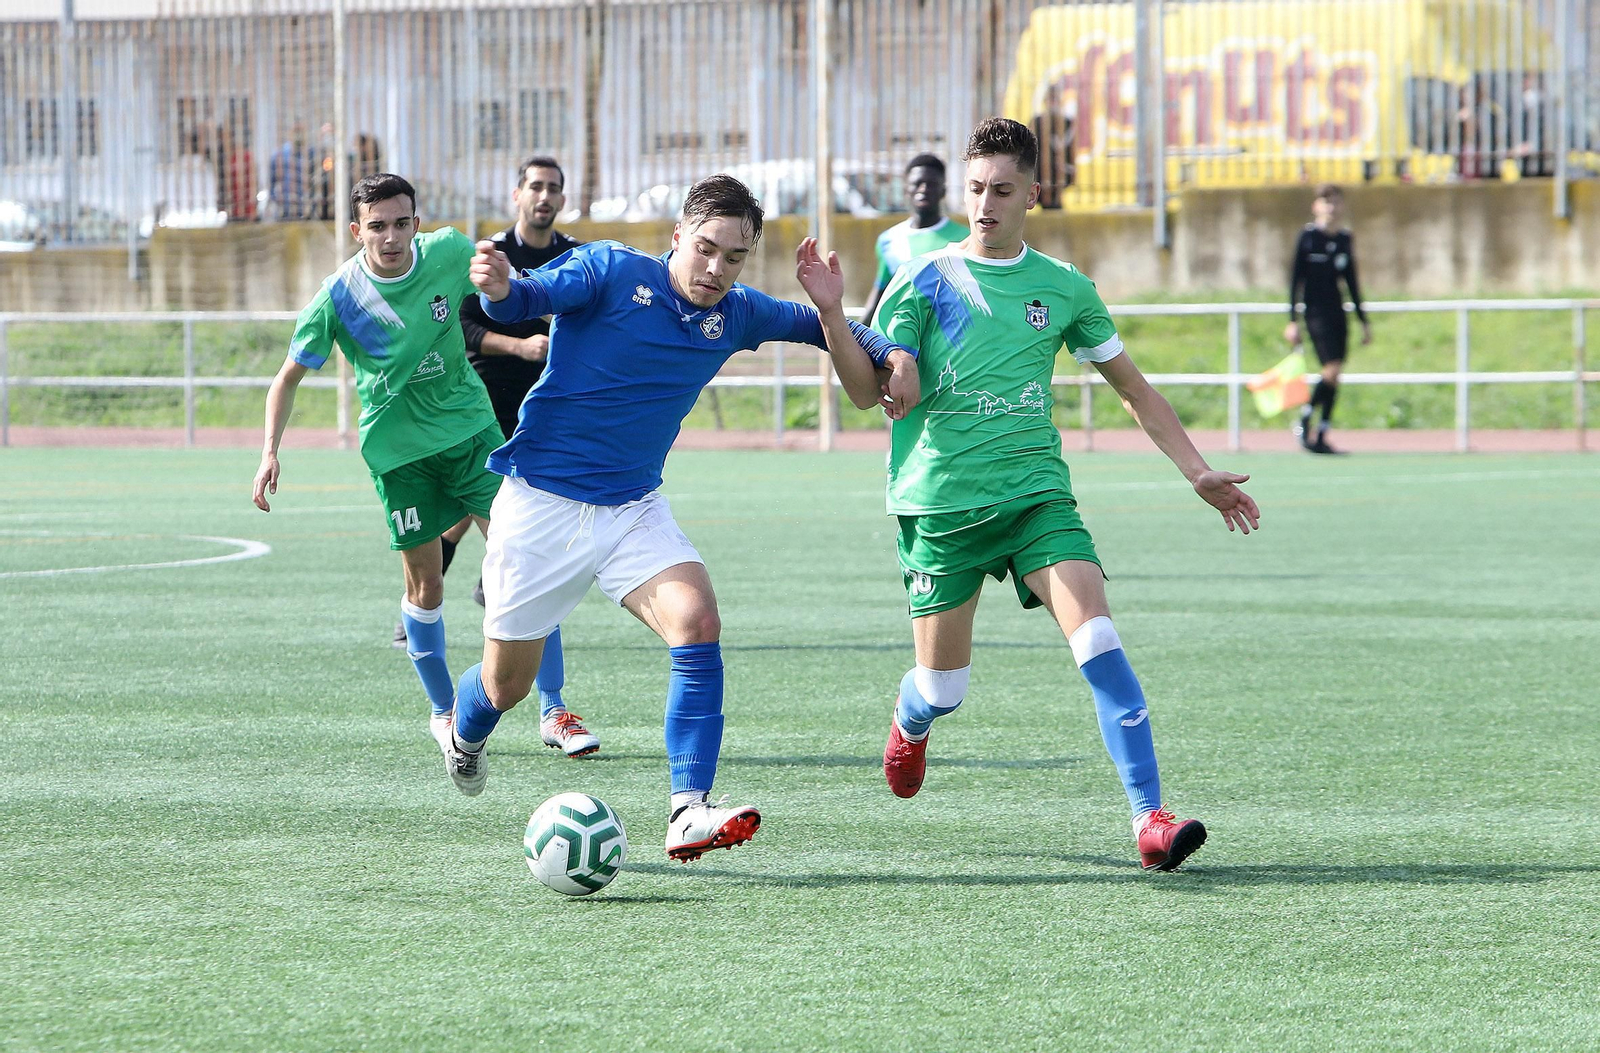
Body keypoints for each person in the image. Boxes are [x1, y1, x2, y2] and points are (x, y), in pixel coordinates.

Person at [451, 174, 909, 863]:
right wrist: (499, 287)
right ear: (677, 236)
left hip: (632, 508)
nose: (717, 269)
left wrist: (889, 351)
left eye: (734, 257)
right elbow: (529, 296)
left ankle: (688, 810)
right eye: (706, 249)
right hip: (540, 503)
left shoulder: (739, 312)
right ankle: (462, 734)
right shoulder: (609, 271)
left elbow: (819, 327)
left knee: (697, 621)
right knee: (506, 685)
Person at [849, 117, 1259, 872]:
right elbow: (891, 350)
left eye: (1002, 190)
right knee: (943, 686)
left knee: (1098, 638)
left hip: (1038, 497)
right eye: (975, 189)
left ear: (1032, 193)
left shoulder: (1065, 288)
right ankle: (912, 722)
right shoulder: (924, 277)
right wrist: (896, 366)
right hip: (942, 505)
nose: (984, 205)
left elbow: (1132, 388)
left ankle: (1150, 818)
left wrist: (1196, 468)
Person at [252, 173, 504, 760]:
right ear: (357, 230)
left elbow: (505, 291)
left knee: (521, 558)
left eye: (400, 223)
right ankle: (445, 713)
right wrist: (270, 449)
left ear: (416, 222)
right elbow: (286, 377)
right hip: (399, 457)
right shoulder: (338, 296)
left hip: (471, 434)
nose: (391, 237)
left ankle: (554, 709)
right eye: (377, 226)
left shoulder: (448, 251)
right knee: (426, 583)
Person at [397, 155, 593, 758]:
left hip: (549, 421)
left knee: (534, 552)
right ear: (516, 194)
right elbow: (462, 329)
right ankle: (432, 602)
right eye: (535, 186)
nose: (544, 196)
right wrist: (522, 344)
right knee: (498, 539)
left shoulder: (577, 256)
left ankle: (553, 707)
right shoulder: (488, 256)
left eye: (554, 188)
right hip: (483, 413)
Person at [1285, 184, 1370, 454]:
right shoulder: (1308, 238)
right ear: (1316, 206)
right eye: (1326, 201)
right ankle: (1305, 417)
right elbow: (1295, 281)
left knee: (1335, 375)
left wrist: (1363, 320)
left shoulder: (1344, 238)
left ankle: (1321, 433)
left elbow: (1351, 282)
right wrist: (1292, 320)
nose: (1331, 207)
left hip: (1337, 312)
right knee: (1330, 369)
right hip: (1315, 312)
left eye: (1335, 201)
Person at [859, 154, 967, 328]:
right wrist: (855, 335)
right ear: (906, 189)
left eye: (931, 184)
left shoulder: (965, 238)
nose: (923, 189)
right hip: (904, 344)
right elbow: (880, 293)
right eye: (917, 183)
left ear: (943, 191)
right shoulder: (889, 240)